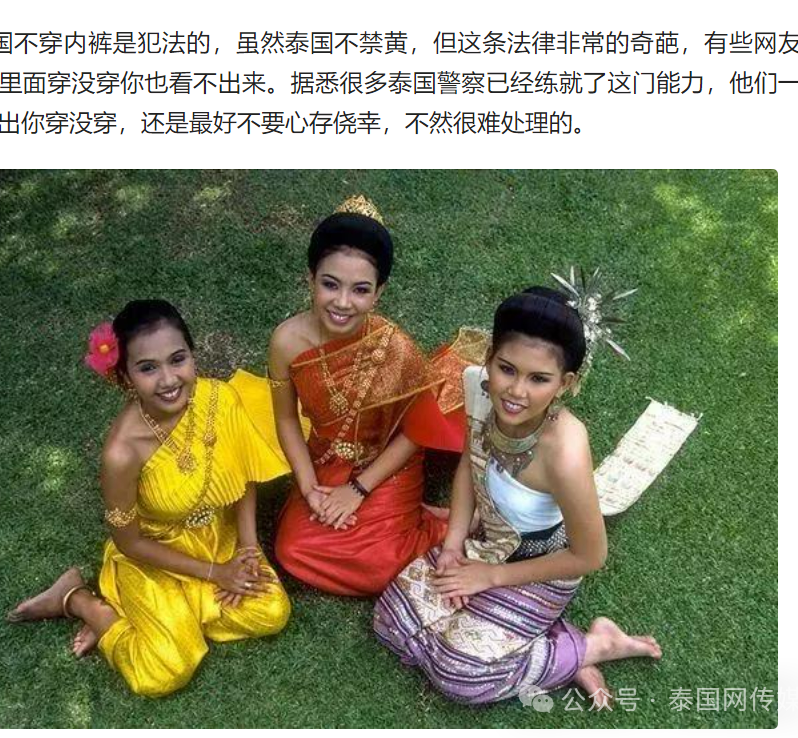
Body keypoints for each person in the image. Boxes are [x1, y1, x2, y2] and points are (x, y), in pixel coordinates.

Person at [373, 287, 661, 707]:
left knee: (460, 675)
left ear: (565, 384)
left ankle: (591, 646)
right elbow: (468, 468)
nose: (516, 392)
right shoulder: (480, 391)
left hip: (543, 566)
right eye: (507, 369)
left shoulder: (565, 450)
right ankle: (531, 637)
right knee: (391, 621)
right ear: (489, 357)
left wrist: (488, 577)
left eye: (539, 379)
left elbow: (590, 556)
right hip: (486, 542)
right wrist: (452, 547)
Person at [7, 300, 291, 697]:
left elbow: (243, 475)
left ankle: (167, 616)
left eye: (178, 359)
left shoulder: (218, 399)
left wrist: (247, 549)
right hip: (154, 555)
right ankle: (81, 602)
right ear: (125, 376)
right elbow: (130, 542)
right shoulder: (122, 453)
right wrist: (217, 574)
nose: (168, 379)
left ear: (192, 355)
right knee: (163, 674)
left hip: (217, 537)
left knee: (272, 611)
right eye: (147, 368)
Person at [231, 196, 452, 596]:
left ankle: (438, 525)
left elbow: (416, 433)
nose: (343, 302)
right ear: (310, 279)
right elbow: (286, 419)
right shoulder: (286, 342)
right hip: (325, 459)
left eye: (360, 290)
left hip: (388, 463)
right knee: (292, 549)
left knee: (380, 567)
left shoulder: (394, 346)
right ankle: (403, 519)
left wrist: (358, 490)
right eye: (330, 284)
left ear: (378, 293)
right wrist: (308, 487)